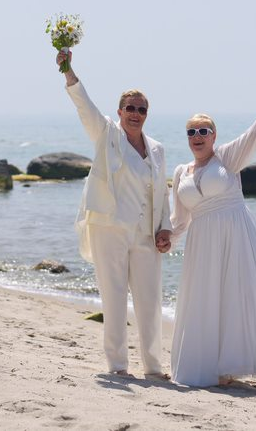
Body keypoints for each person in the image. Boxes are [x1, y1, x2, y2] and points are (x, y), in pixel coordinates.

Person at [169, 74, 256, 391]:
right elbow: (179, 219)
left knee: (246, 298)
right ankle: (221, 369)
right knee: (211, 302)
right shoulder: (180, 173)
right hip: (201, 243)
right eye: (191, 132)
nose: (197, 136)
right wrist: (165, 239)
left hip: (236, 234)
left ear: (213, 136)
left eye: (204, 131)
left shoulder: (227, 156)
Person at [56, 48, 174, 379]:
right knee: (115, 297)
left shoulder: (158, 149)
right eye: (130, 108)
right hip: (109, 228)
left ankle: (153, 367)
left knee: (150, 301)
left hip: (145, 234)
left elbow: (161, 193)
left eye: (142, 109)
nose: (136, 113)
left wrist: (166, 229)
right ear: (119, 111)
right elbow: (84, 108)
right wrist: (69, 72)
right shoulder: (107, 134)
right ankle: (118, 366)